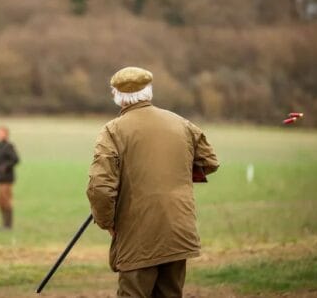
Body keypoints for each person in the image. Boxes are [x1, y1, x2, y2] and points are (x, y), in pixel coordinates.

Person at [86, 66, 219, 298]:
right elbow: (209, 161)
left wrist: (107, 223)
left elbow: (100, 189)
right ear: (149, 91)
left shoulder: (112, 131)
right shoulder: (181, 123)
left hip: (138, 235)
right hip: (178, 229)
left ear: (118, 96)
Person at [0, 126, 20, 229]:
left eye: (1, 133)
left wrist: (5, 166)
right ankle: (4, 223)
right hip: (0, 179)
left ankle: (8, 225)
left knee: (6, 201)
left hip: (6, 179)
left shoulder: (8, 146)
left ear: (6, 134)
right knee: (0, 202)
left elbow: (16, 159)